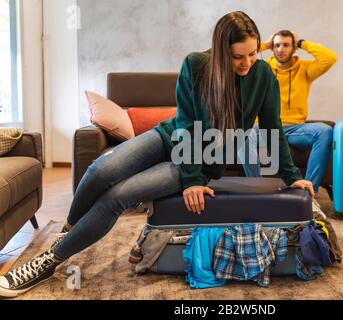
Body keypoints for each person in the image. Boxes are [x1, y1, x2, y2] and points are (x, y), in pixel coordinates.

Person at [0, 11, 313, 298]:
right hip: (170, 137)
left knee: (117, 197)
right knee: (99, 170)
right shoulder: (196, 65)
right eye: (237, 57)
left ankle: (49, 261)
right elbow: (187, 124)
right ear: (220, 52)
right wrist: (188, 178)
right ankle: (68, 231)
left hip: (202, 161)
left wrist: (292, 177)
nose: (247, 63)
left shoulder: (263, 77)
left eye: (253, 53)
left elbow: (273, 128)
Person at [238, 30, 338, 195]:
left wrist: (302, 43)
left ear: (294, 48)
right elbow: (244, 55)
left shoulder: (305, 69)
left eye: (286, 45)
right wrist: (266, 45)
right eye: (276, 45)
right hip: (263, 128)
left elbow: (330, 58)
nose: (280, 49)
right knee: (242, 131)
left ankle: (308, 191)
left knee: (325, 130)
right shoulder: (263, 67)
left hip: (295, 129)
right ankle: (255, 189)